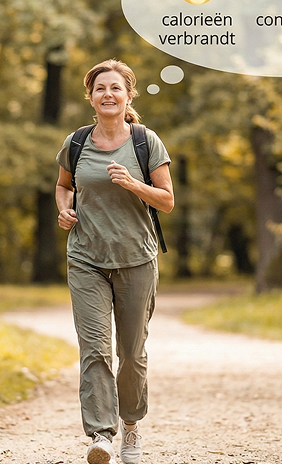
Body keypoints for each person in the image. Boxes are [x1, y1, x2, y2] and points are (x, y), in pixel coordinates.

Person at [55, 59, 174, 464]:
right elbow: (62, 186)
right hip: (86, 257)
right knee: (94, 348)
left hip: (136, 259)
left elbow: (168, 201)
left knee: (132, 351)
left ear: (127, 96)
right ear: (91, 96)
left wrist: (134, 183)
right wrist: (64, 210)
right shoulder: (76, 142)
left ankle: (131, 426)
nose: (108, 94)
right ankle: (101, 434)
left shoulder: (145, 141)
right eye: (100, 88)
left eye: (116, 88)